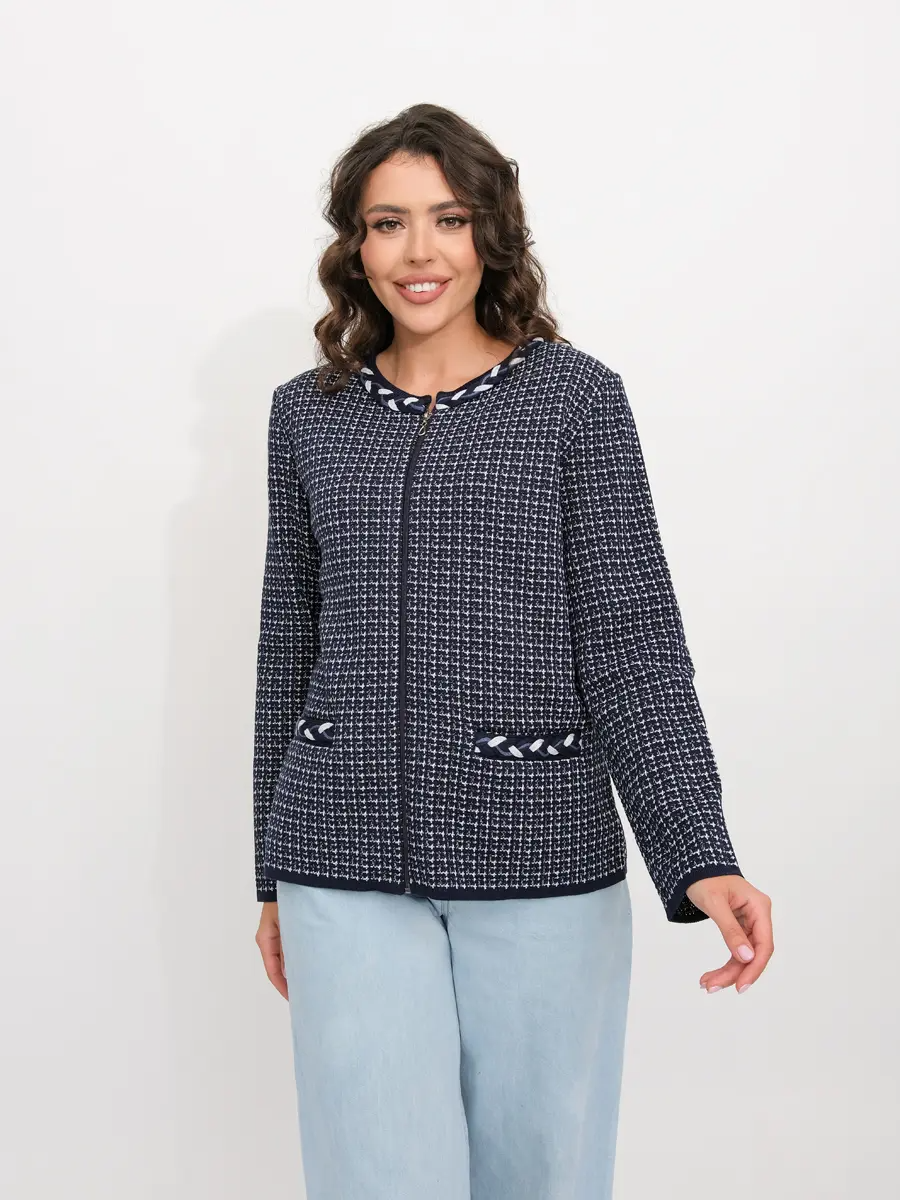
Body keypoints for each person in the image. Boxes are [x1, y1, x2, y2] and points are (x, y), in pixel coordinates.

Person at [251, 103, 773, 1200]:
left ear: (491, 231)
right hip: (339, 858)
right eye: (388, 223)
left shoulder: (577, 402)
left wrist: (698, 852)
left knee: (544, 1173)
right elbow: (286, 647)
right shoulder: (307, 416)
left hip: (538, 854)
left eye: (448, 219)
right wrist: (269, 875)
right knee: (376, 1176)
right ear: (356, 245)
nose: (420, 251)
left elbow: (633, 641)